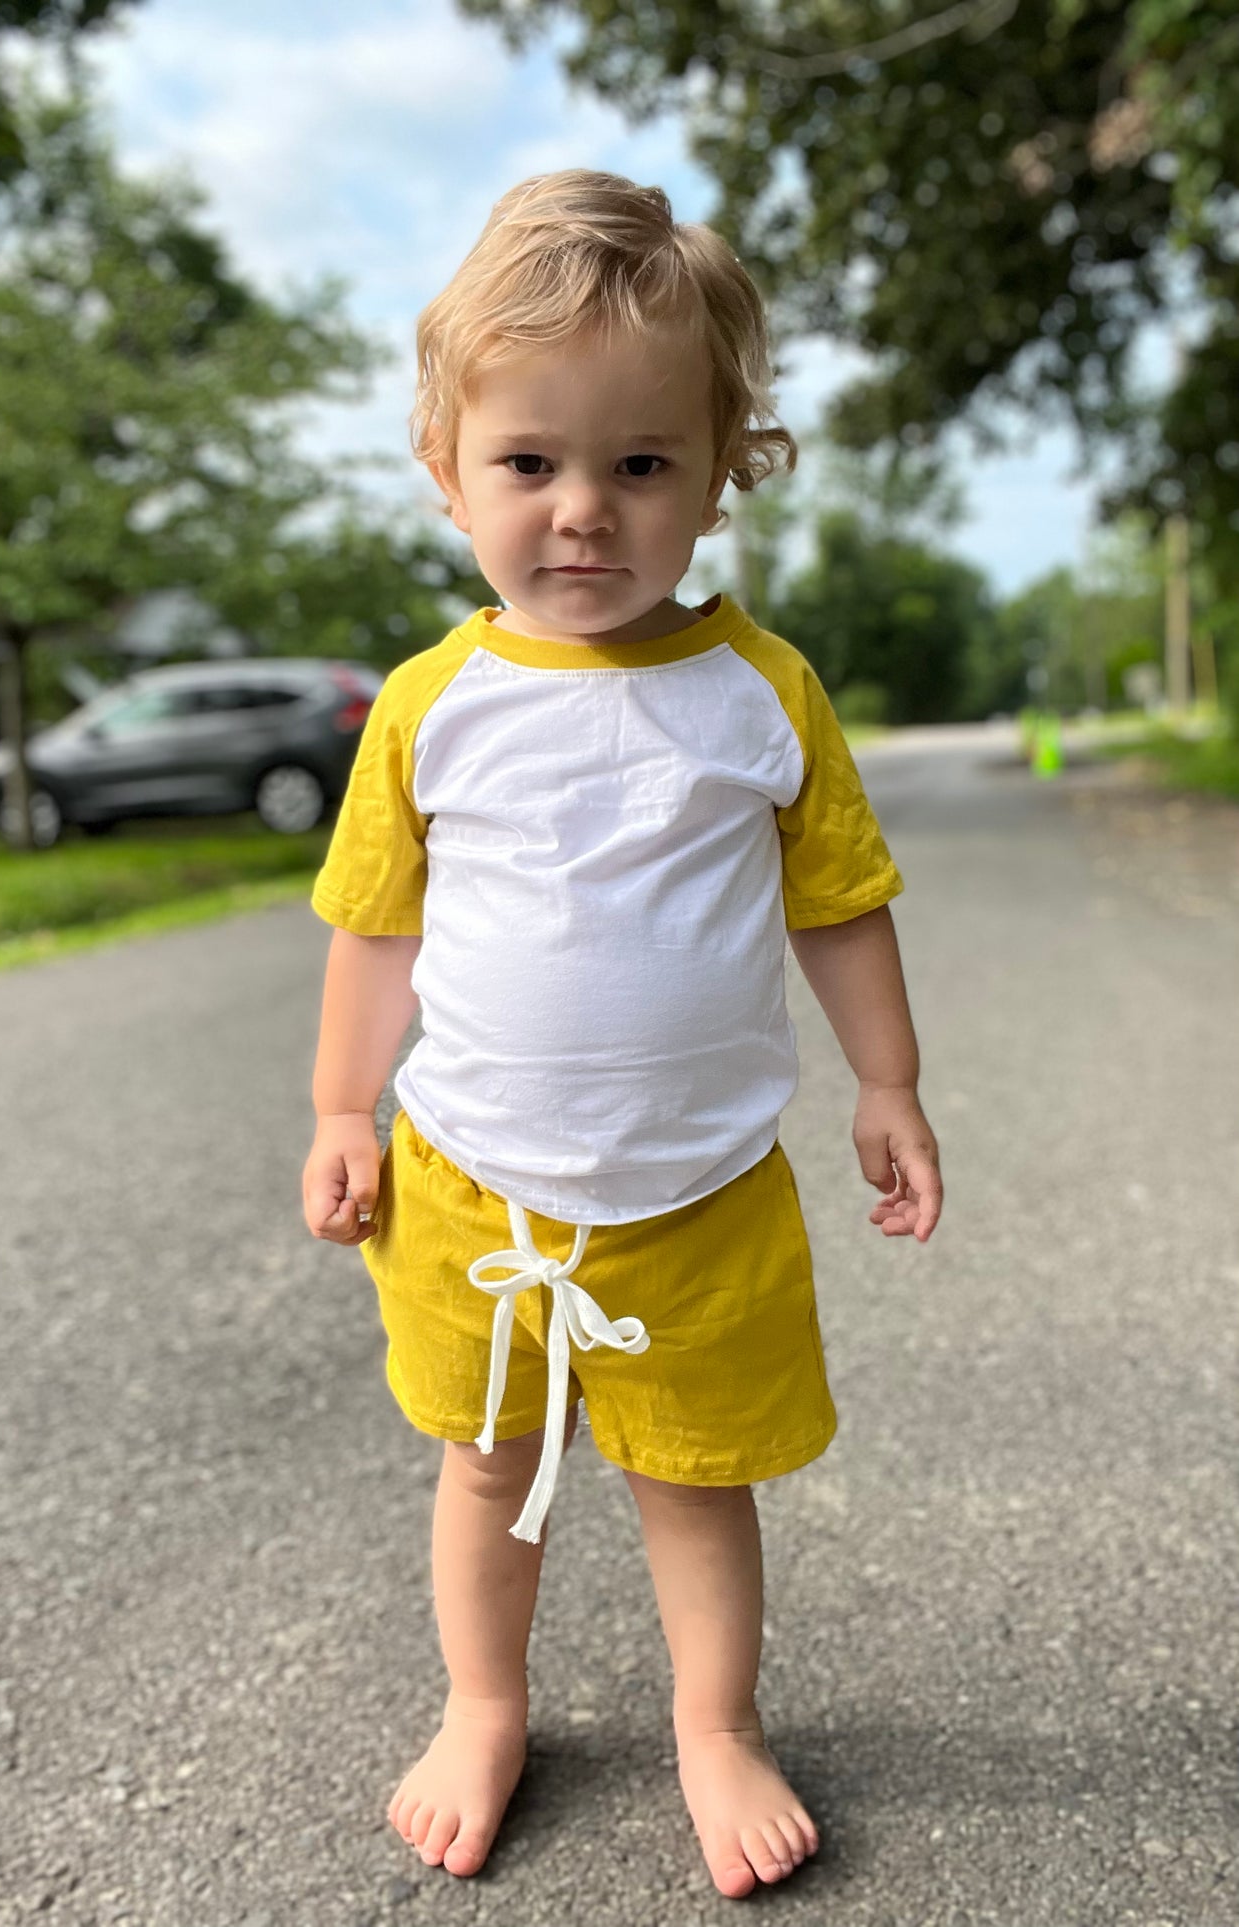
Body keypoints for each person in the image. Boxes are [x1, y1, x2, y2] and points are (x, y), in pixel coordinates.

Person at [301, 169, 942, 1898]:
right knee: (481, 1461)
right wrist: (342, 1112)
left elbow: (834, 898)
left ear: (721, 472)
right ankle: (483, 1703)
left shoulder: (759, 692)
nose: (582, 511)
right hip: (473, 1188)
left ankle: (714, 1725)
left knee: (692, 1483)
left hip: (700, 1195)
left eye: (639, 464)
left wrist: (884, 1078)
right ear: (448, 472)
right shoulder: (436, 708)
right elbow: (379, 927)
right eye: (530, 464)